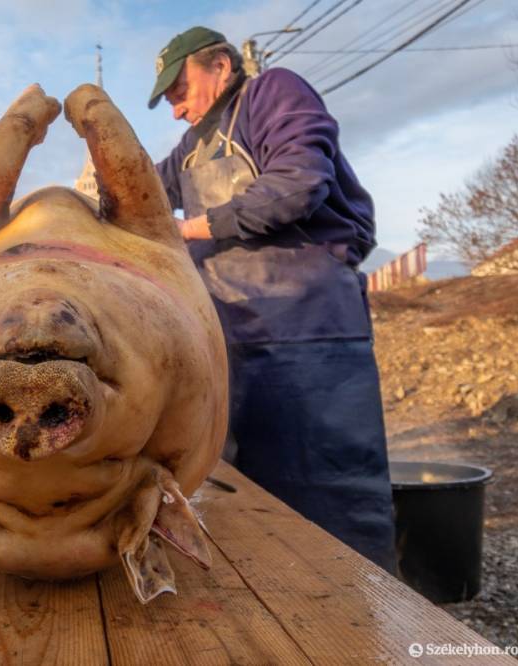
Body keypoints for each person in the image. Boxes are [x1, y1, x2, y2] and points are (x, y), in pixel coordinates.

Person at [149, 27, 396, 571]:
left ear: (218, 65)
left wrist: (193, 229)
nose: (175, 110)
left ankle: (365, 618)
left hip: (307, 331)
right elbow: (138, 190)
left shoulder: (274, 93)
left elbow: (297, 182)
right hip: (229, 337)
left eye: (179, 91)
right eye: (168, 101)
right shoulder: (190, 149)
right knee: (246, 494)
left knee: (329, 493)